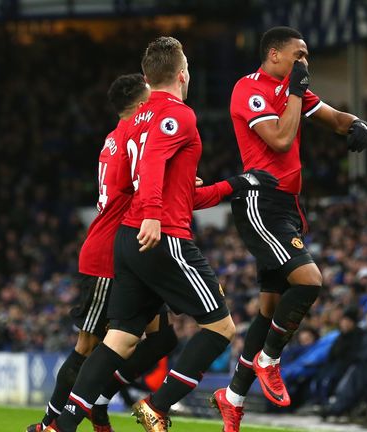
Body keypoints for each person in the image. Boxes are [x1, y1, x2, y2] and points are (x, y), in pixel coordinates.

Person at [48, 37, 279, 432]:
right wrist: (155, 214)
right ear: (182, 74)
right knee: (221, 327)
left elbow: (154, 182)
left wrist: (234, 184)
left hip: (126, 238)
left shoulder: (135, 119)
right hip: (162, 235)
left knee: (120, 338)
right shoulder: (177, 114)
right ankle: (156, 406)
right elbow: (154, 161)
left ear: (146, 77)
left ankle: (61, 426)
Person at [211, 26, 367, 431]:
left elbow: (333, 118)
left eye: (307, 56)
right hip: (260, 199)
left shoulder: (292, 88)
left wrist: (356, 124)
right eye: (299, 54)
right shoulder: (249, 89)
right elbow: (281, 140)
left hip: (287, 205)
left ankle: (232, 398)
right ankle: (270, 360)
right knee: (309, 281)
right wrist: (297, 91)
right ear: (274, 54)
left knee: (268, 311)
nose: (305, 62)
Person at [28, 74, 180, 432]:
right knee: (87, 346)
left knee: (163, 338)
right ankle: (49, 424)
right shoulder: (130, 135)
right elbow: (145, 181)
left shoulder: (112, 139)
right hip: (107, 256)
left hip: (130, 253)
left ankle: (97, 399)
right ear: (141, 104)